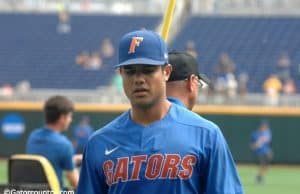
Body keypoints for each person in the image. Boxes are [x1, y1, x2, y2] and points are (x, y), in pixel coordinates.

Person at [77, 30, 244, 194]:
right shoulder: (99, 143)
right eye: (130, 71)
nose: (139, 79)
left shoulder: (206, 135)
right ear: (121, 74)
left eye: (148, 69)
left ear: (166, 72)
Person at [26, 95, 79, 190]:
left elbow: (49, 161)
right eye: (70, 116)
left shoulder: (33, 137)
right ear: (62, 118)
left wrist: (72, 160)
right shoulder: (64, 144)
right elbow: (76, 183)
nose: (71, 120)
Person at [250, 120, 273, 184]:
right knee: (263, 164)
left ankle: (259, 176)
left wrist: (269, 150)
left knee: (266, 167)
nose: (264, 127)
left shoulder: (268, 133)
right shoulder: (255, 134)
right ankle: (259, 178)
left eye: (265, 126)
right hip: (260, 152)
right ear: (260, 126)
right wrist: (256, 145)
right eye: (263, 126)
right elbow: (252, 146)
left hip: (266, 151)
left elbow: (268, 142)